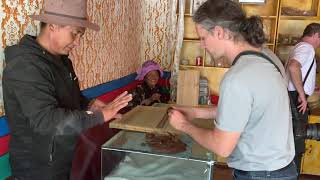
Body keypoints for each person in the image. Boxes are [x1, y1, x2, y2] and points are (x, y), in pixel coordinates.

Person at [2, 0, 132, 179]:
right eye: (75, 34)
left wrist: (90, 104)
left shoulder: (62, 60)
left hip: (65, 159)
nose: (78, 43)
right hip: (38, 169)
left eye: (81, 35)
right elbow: (46, 121)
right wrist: (101, 116)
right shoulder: (25, 66)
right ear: (53, 26)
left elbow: (69, 99)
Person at [168, 0, 297, 179]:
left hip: (259, 174)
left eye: (203, 38)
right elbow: (249, 110)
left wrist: (184, 125)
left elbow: (222, 146)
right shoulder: (268, 57)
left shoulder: (237, 78)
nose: (202, 45)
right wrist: (196, 112)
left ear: (219, 32)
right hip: (282, 169)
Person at [286, 23, 320, 174]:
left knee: (292, 142)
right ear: (316, 35)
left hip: (292, 99)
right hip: (296, 101)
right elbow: (294, 67)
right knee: (296, 143)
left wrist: (310, 89)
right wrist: (302, 94)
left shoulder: (299, 47)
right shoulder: (307, 48)